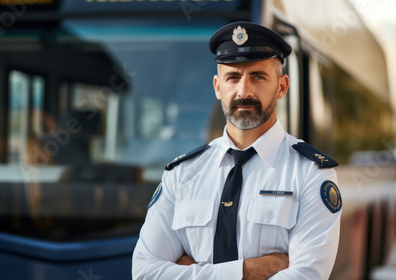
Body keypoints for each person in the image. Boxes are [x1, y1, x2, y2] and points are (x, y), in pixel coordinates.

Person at [132, 21, 342, 280]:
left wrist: (189, 269)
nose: (244, 91)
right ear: (218, 88)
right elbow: (144, 272)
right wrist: (248, 271)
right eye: (233, 77)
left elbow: (306, 275)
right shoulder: (182, 174)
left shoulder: (311, 173)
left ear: (281, 87)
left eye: (258, 76)